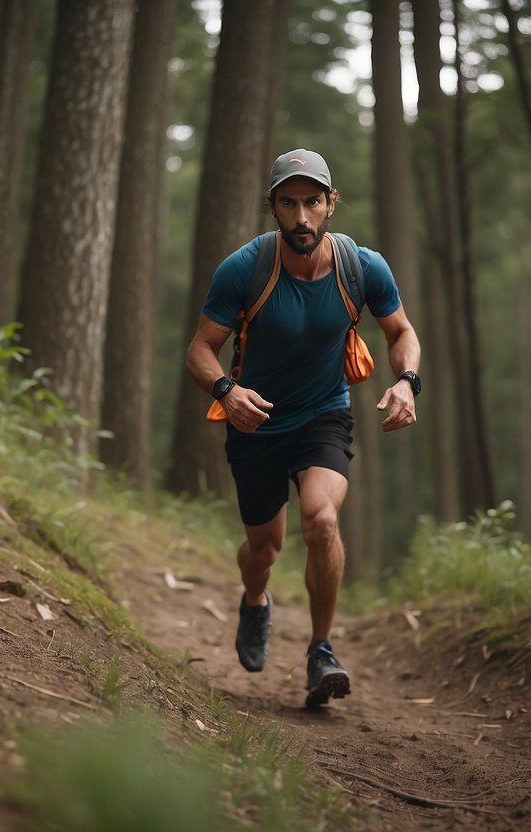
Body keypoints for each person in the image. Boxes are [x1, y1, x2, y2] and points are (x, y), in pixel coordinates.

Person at [185, 148, 422, 708]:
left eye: (312, 202)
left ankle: (321, 651)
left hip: (324, 414)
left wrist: (408, 381)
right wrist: (227, 391)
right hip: (256, 420)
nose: (301, 218)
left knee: (321, 520)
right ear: (272, 207)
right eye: (288, 204)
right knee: (264, 549)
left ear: (330, 203)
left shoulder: (361, 267)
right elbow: (200, 350)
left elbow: (400, 332)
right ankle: (256, 598)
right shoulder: (245, 268)